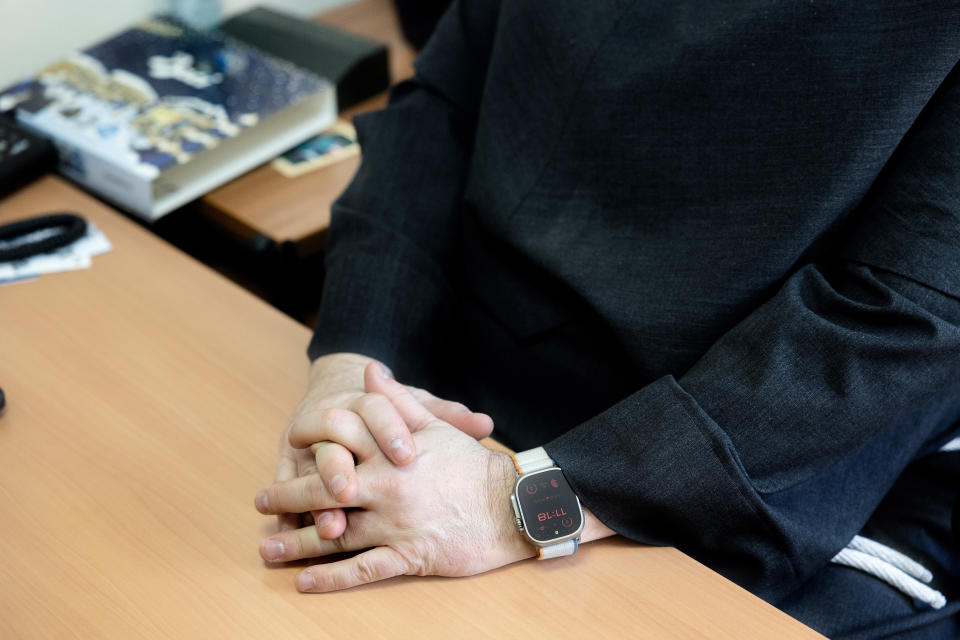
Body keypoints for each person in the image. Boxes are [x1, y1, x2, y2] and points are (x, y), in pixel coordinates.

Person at [253, 2, 960, 637]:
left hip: (787, 484)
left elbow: (900, 316)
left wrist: (517, 502)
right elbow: (439, 109)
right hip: (472, 422)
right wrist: (358, 366)